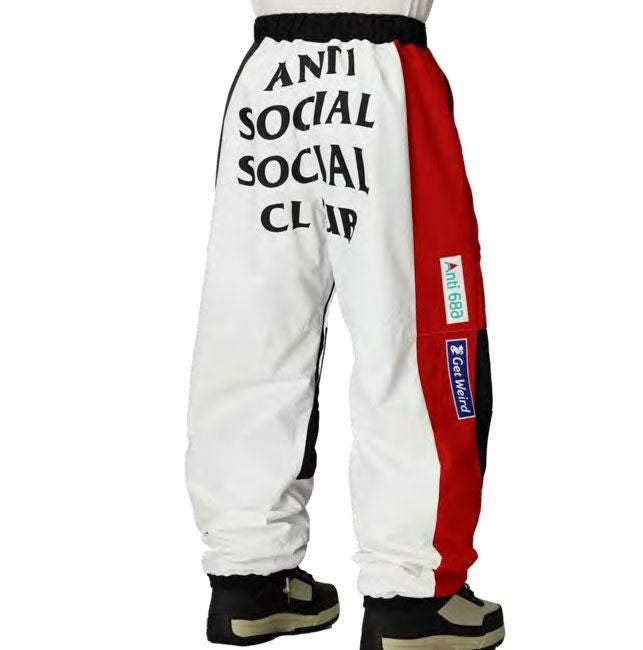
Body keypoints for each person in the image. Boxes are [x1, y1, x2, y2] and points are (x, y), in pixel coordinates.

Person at [186, 2, 505, 648]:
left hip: (272, 79)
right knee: (418, 333)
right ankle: (413, 598)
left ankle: (250, 581)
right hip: (384, 67)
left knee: (252, 332)